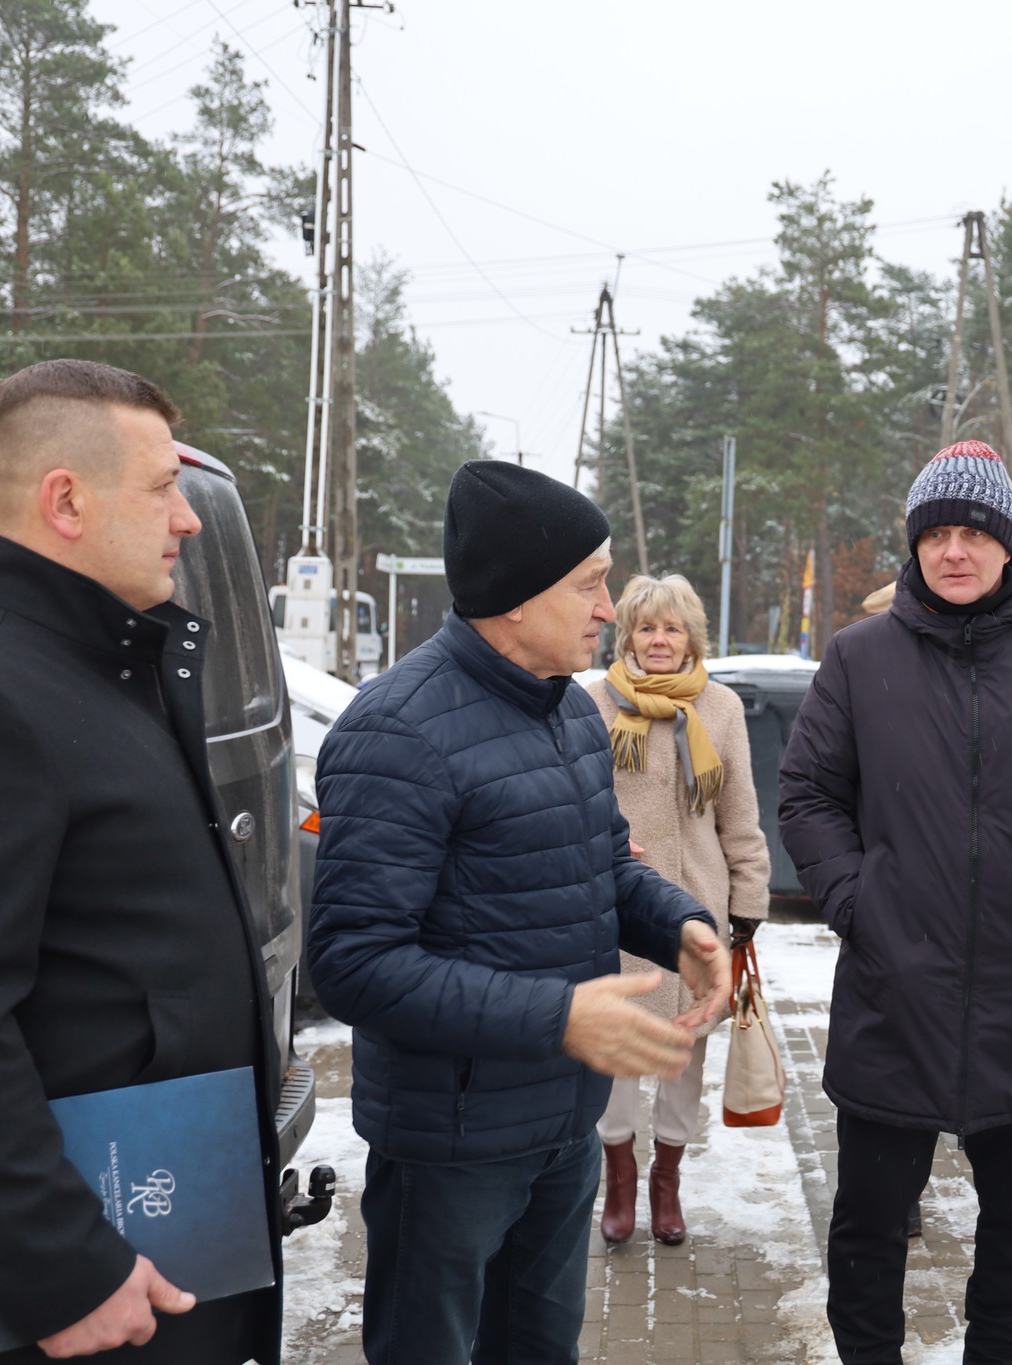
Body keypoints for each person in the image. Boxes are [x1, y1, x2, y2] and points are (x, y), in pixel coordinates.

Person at [0, 359, 282, 1362]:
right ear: (66, 502)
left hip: (160, 1229)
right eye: (164, 487)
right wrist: (64, 1270)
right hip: (71, 1294)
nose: (188, 520)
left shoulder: (101, 667)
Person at [307, 460, 731, 1365]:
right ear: (513, 599)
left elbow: (603, 865)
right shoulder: (398, 730)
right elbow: (353, 961)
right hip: (451, 1142)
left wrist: (680, 924)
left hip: (559, 1124)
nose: (608, 608)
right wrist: (559, 1015)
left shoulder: (570, 712)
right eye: (589, 584)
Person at [779, 439, 1012, 1365]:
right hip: (895, 991)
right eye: (935, 532)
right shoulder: (858, 657)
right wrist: (858, 900)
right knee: (867, 1229)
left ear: (1007, 542)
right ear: (913, 544)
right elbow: (808, 793)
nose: (954, 550)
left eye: (974, 532)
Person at [584, 573, 770, 1247]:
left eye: (672, 628)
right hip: (618, 907)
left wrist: (747, 902)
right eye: (646, 627)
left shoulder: (720, 708)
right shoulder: (592, 704)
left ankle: (666, 1180)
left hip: (697, 907)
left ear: (692, 638)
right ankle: (620, 1178)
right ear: (627, 635)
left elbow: (739, 813)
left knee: (684, 1050)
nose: (659, 640)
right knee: (615, 1049)